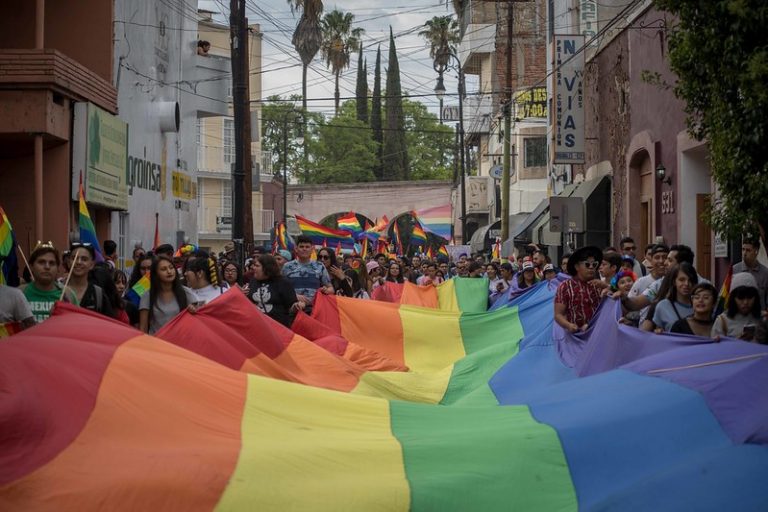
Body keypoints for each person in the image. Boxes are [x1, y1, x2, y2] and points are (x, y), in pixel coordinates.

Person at [139, 255, 196, 334]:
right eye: (163, 269)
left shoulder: (186, 293)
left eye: (171, 268)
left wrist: (194, 310)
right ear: (156, 274)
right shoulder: (147, 296)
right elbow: (143, 327)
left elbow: (198, 316)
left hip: (180, 343)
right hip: (156, 343)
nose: (169, 271)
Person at [554, 246, 603, 333]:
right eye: (587, 264)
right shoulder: (565, 287)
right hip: (575, 338)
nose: (591, 267)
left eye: (594, 264)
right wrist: (568, 325)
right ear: (577, 266)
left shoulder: (599, 285)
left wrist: (607, 286)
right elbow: (558, 315)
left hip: (598, 335)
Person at [23, 243, 77, 322]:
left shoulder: (68, 295)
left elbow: (76, 324)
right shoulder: (20, 293)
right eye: (41, 262)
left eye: (52, 263)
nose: (47, 267)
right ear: (31, 266)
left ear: (58, 269)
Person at [281, 235, 333, 313]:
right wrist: (294, 296)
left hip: (315, 311)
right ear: (296, 249)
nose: (304, 249)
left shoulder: (319, 266)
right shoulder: (287, 266)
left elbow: (331, 289)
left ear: (312, 249)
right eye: (301, 246)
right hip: (294, 310)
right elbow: (281, 289)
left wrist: (326, 290)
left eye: (307, 247)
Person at [247, 254, 301, 327]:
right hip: (257, 326)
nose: (253, 268)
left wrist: (297, 306)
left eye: (257, 266)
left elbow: (291, 306)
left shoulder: (283, 283)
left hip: (278, 327)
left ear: (267, 268)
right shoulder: (253, 281)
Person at [63, 243, 114, 318]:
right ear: (68, 262)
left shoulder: (98, 294)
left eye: (84, 259)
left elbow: (108, 323)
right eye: (74, 258)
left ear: (92, 265)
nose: (78, 262)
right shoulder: (58, 290)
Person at [711, 272, 763, 341]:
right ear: (733, 298)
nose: (745, 302)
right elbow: (714, 349)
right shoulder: (722, 321)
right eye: (741, 298)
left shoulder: (763, 318)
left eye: (750, 297)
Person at [651, 263, 698, 333]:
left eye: (690, 280)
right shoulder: (663, 306)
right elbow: (656, 331)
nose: (686, 284)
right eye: (682, 280)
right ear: (674, 282)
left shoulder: (700, 306)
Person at [732, 237, 768, 309]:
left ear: (756, 251)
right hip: (739, 316)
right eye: (743, 249)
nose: (744, 253)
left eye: (748, 250)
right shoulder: (734, 270)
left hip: (758, 316)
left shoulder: (765, 273)